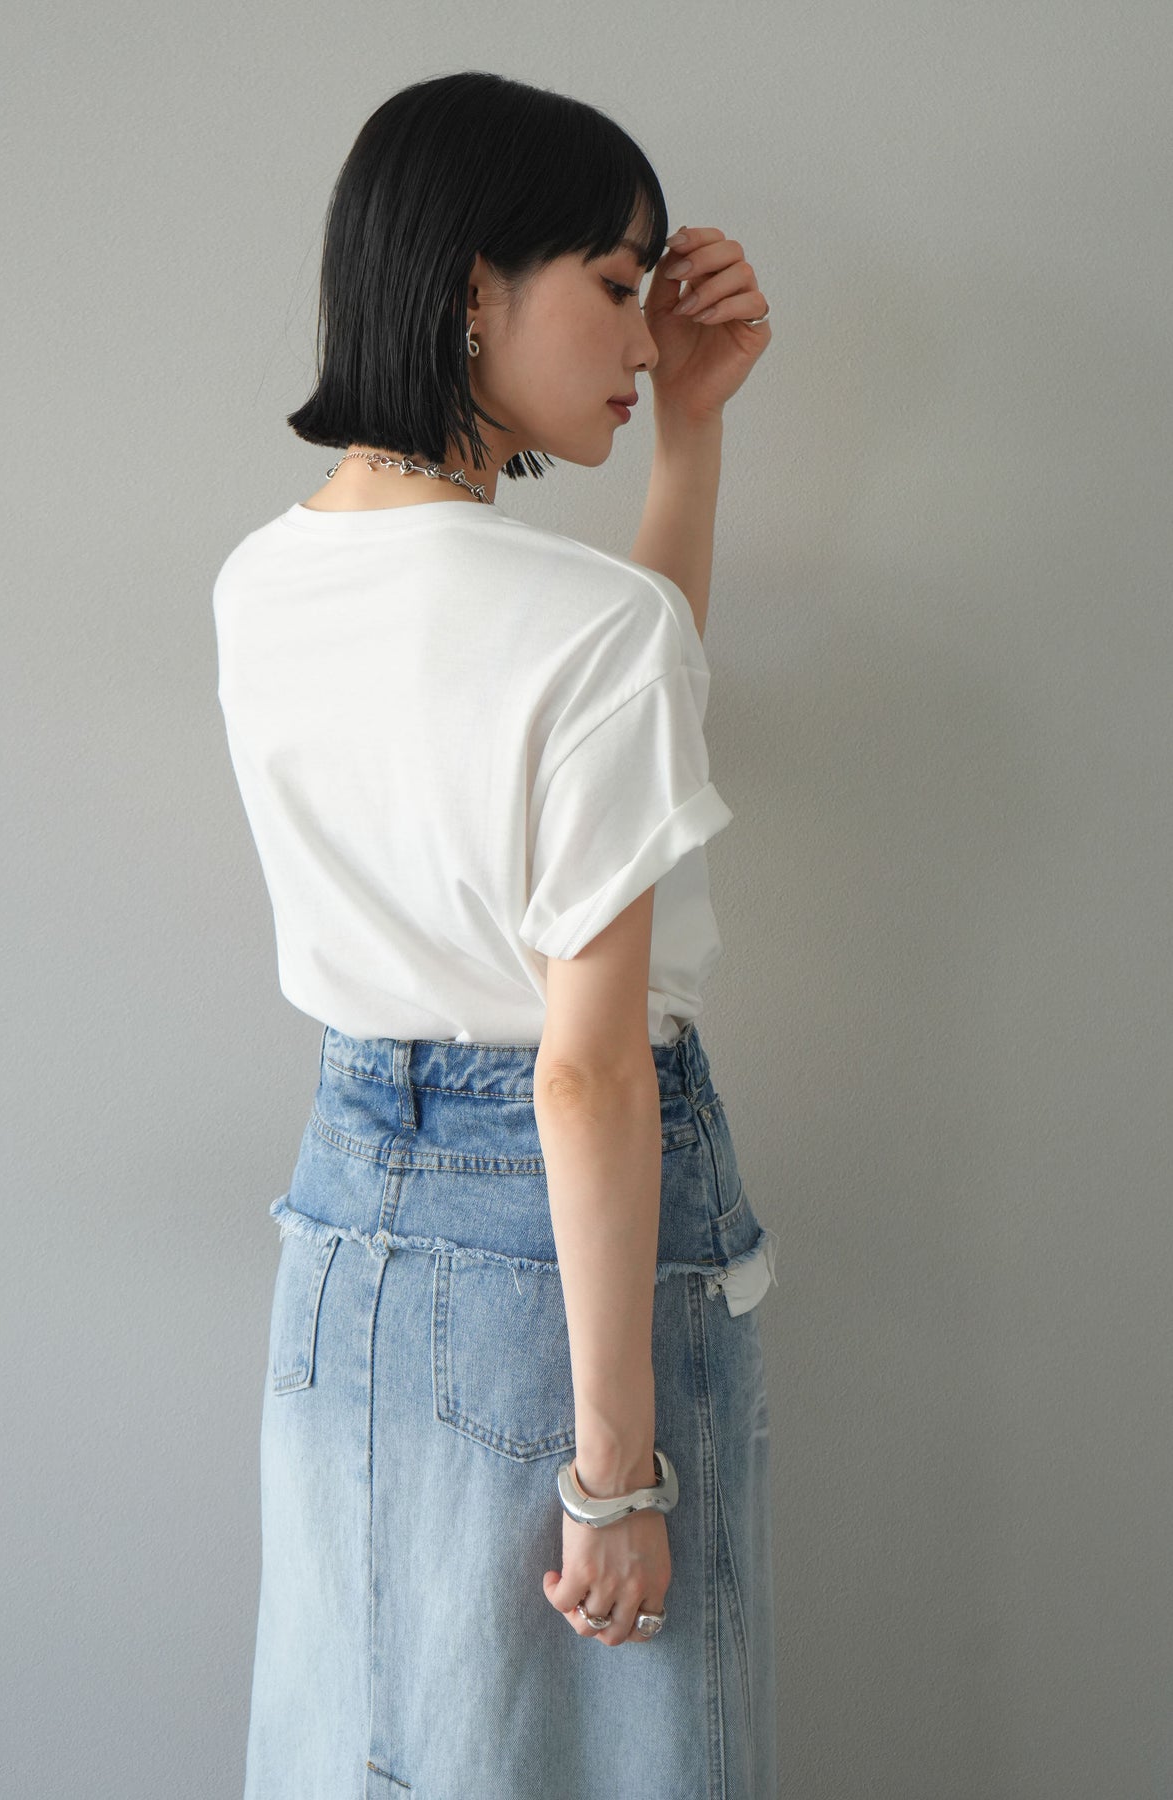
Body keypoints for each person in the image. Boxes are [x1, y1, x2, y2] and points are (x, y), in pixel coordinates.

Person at [212, 69, 779, 1800]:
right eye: (612, 284)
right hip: (558, 1245)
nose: (642, 337)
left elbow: (623, 699)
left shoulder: (262, 578)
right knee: (622, 1760)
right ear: (473, 286)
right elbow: (586, 1076)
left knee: (363, 1738)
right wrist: (615, 1475)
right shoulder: (582, 628)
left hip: (344, 1214)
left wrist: (690, 434)